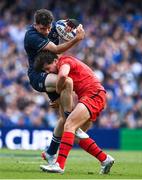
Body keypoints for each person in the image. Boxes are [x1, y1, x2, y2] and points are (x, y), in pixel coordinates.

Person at [34, 51, 115, 174]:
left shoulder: (64, 62)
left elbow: (63, 76)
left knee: (69, 124)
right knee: (75, 135)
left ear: (55, 61)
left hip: (93, 95)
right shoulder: (66, 62)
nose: (48, 72)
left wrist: (57, 90)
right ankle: (105, 159)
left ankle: (59, 165)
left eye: (48, 68)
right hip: (94, 95)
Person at [24, 9, 85, 164]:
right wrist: (76, 39)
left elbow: (73, 24)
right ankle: (74, 125)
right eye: (42, 28)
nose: (46, 31)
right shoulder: (31, 36)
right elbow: (57, 50)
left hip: (52, 73)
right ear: (35, 24)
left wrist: (73, 28)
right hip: (38, 76)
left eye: (48, 28)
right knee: (68, 82)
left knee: (63, 120)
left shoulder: (55, 27)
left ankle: (51, 152)